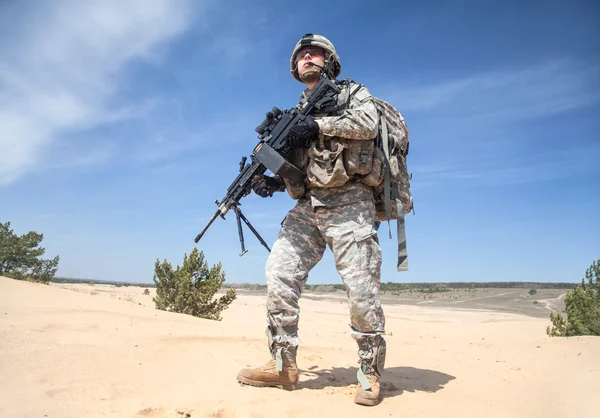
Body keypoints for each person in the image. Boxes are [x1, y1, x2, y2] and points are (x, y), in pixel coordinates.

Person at [237, 33, 386, 407]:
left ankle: (370, 372)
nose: (306, 57)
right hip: (309, 205)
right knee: (279, 272)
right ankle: (283, 365)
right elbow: (301, 176)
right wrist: (273, 180)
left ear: (329, 59)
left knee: (361, 289)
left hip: (350, 201)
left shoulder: (351, 94)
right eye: (301, 54)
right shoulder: (294, 115)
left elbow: (368, 124)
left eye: (313, 52)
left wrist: (318, 126)